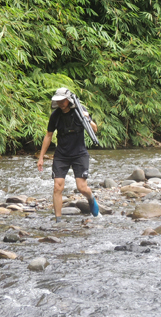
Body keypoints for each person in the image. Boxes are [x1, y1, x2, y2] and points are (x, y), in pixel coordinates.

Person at [37, 88, 100, 221]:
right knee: (57, 187)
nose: (60, 103)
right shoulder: (55, 115)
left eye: (62, 100)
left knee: (82, 187)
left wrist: (86, 118)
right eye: (58, 101)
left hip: (79, 153)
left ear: (68, 100)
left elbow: (94, 129)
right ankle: (58, 220)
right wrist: (41, 157)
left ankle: (90, 198)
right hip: (62, 154)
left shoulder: (79, 110)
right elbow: (48, 136)